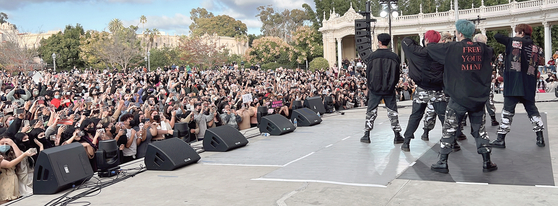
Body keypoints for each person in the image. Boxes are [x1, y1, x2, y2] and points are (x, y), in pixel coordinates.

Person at [426, 19, 497, 173]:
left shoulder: (452, 48)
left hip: (458, 97)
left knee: (449, 129)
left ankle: (442, 162)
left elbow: (430, 48)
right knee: (480, 130)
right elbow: (491, 53)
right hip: (478, 97)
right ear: (472, 33)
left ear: (458, 33)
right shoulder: (484, 49)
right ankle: (487, 161)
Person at [490, 24, 546, 148]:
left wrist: (513, 38)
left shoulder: (512, 42)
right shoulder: (537, 48)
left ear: (521, 32)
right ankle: (540, 137)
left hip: (513, 84)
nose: (515, 34)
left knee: (507, 112)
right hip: (529, 85)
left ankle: (500, 139)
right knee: (532, 110)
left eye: (516, 32)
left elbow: (497, 36)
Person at [400, 30, 448, 152]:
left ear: (426, 40)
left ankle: (406, 142)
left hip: (421, 88)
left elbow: (405, 41)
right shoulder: (443, 52)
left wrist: (420, 43)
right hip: (437, 89)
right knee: (444, 117)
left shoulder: (417, 52)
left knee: (415, 116)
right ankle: (450, 141)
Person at [360, 33, 403, 144]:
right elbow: (398, 74)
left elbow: (368, 73)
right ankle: (397, 135)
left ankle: (366, 135)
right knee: (392, 111)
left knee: (371, 111)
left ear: (379, 42)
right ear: (388, 42)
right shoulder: (394, 57)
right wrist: (393, 84)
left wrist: (370, 85)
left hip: (375, 88)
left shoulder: (371, 56)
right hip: (389, 88)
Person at [472, 33, 500, 126]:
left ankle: (476, 121)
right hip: (486, 77)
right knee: (489, 100)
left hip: (475, 79)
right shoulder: (489, 50)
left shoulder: (472, 50)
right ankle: (493, 118)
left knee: (475, 101)